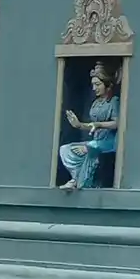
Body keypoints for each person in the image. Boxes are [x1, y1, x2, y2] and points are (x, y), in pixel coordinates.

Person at [58, 61, 121, 189]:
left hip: (109, 141)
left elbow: (117, 123)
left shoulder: (114, 101)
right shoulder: (96, 103)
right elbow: (92, 125)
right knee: (65, 149)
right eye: (93, 85)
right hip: (97, 140)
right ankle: (76, 178)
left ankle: (82, 182)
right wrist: (79, 125)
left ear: (107, 84)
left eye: (97, 84)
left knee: (90, 148)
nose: (94, 88)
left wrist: (99, 124)